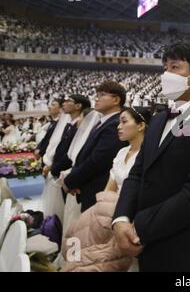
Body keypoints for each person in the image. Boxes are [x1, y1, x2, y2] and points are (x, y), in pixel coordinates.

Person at [112, 42, 190, 271]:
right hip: (146, 247)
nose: (166, 74)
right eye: (165, 67)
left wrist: (140, 227)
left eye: (175, 67)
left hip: (185, 249)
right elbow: (137, 173)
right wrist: (120, 219)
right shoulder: (158, 119)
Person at [61, 107, 152, 272]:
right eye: (118, 123)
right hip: (111, 215)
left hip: (133, 219)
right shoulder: (121, 153)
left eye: (124, 122)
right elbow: (109, 190)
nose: (119, 127)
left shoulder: (149, 156)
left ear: (140, 126)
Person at [62, 81, 128, 212]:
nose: (96, 98)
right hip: (88, 185)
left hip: (98, 188)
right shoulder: (105, 122)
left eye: (102, 95)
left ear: (116, 99)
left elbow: (97, 161)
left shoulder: (115, 124)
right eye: (96, 94)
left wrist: (71, 180)